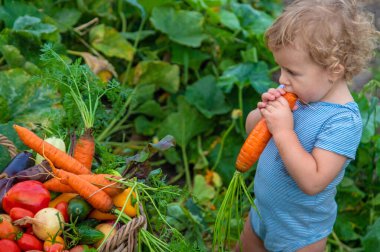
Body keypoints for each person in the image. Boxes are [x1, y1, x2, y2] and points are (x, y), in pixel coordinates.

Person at [236, 0, 379, 251]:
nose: (282, 79)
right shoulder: (296, 91)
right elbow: (250, 133)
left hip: (299, 234)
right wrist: (263, 116)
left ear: (333, 71)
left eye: (292, 72)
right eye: (281, 68)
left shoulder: (343, 121)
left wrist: (283, 131)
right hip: (261, 212)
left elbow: (312, 181)